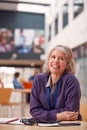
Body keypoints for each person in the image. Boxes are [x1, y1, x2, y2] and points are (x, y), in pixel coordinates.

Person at [30, 45, 82, 122]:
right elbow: (34, 111)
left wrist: (43, 115)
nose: (56, 61)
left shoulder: (71, 80)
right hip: (43, 126)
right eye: (53, 57)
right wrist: (58, 116)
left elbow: (71, 112)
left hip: (67, 126)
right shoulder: (38, 79)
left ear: (68, 64)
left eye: (61, 58)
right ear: (48, 61)